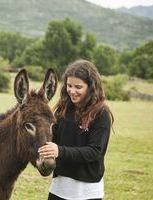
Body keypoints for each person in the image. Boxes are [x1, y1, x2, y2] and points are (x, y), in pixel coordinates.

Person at [38, 60, 114, 200]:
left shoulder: (101, 114)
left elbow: (94, 151)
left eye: (78, 87)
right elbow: (52, 138)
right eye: (69, 85)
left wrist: (60, 151)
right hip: (59, 188)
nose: (72, 91)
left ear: (91, 87)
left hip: (87, 191)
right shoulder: (63, 109)